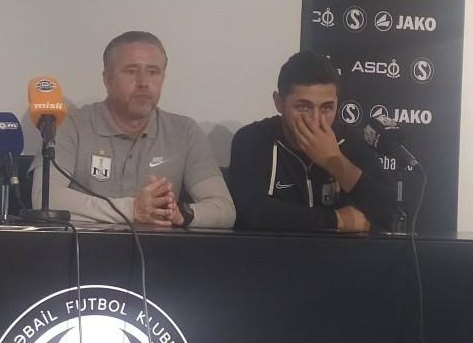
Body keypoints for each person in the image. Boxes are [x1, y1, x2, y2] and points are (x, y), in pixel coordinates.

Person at [30, 31, 235, 228]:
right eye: (131, 71)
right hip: (83, 249)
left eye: (153, 72)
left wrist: (182, 213)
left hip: (157, 250)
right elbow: (45, 199)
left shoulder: (184, 132)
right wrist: (132, 210)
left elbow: (224, 209)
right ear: (107, 79)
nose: (144, 83)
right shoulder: (71, 124)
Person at [229, 51, 394, 232]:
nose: (316, 120)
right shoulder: (254, 139)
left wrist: (334, 161)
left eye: (327, 107)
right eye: (303, 107)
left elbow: (393, 213)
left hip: (340, 251)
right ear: (279, 102)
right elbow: (251, 212)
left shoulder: (348, 139)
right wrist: (336, 220)